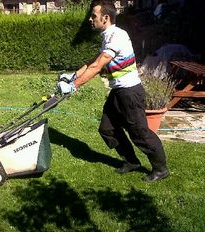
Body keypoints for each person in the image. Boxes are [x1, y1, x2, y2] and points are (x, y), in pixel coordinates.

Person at [57, 0, 170, 182]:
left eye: (94, 16)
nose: (90, 19)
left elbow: (96, 67)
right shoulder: (107, 36)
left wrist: (74, 86)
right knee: (107, 129)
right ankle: (131, 161)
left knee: (140, 133)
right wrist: (73, 76)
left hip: (130, 93)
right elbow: (94, 61)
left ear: (106, 17)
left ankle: (160, 168)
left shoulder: (117, 36)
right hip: (118, 92)